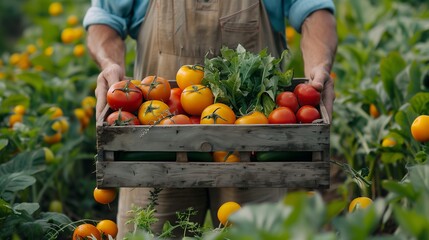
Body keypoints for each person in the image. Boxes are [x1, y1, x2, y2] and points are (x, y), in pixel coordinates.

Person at [83, 0, 337, 238]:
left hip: (252, 147)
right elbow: (105, 18)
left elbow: (314, 10)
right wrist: (109, 64)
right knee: (149, 231)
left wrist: (319, 66)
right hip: (156, 145)